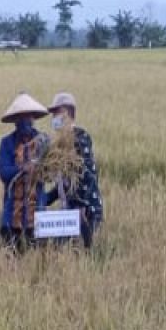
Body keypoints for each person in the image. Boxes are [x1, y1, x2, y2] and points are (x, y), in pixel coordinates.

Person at [46, 92, 104, 248]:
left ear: (69, 113)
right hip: (69, 212)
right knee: (63, 250)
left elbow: (86, 174)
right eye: (53, 115)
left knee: (82, 253)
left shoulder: (80, 137)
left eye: (57, 113)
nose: (54, 119)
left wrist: (82, 204)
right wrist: (45, 199)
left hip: (86, 211)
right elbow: (65, 183)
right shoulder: (59, 143)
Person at [0, 92, 49, 252]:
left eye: (28, 116)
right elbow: (4, 173)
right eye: (21, 117)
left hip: (37, 215)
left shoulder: (43, 142)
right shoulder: (7, 143)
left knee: (36, 257)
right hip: (13, 216)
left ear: (33, 118)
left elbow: (49, 174)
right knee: (12, 258)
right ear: (15, 120)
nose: (25, 120)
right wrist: (23, 168)